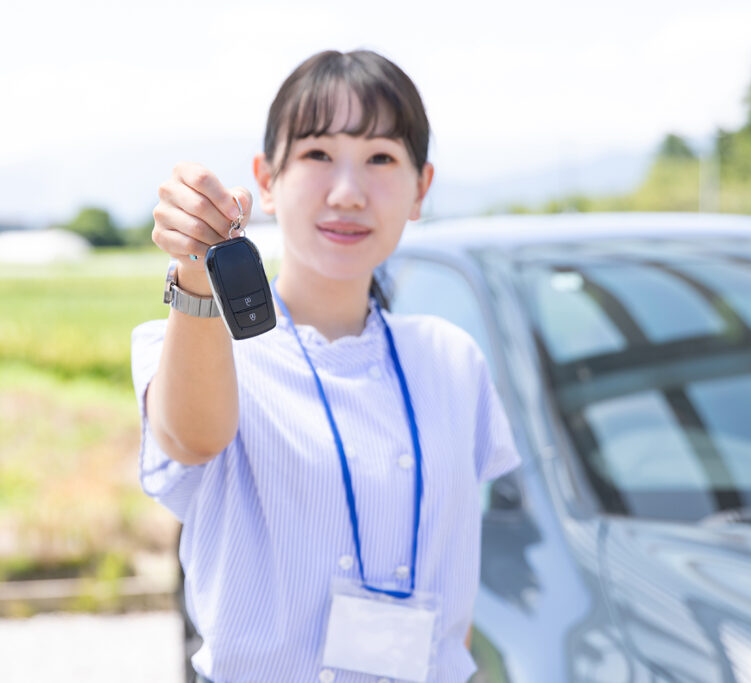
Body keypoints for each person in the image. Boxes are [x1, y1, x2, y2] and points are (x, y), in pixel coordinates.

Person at [131, 49, 520, 683]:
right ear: (266, 179)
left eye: (381, 158)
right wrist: (197, 278)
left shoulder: (452, 359)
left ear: (421, 187)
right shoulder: (195, 339)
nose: (347, 192)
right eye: (317, 154)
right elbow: (193, 437)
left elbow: (453, 567)